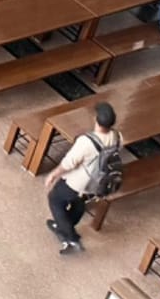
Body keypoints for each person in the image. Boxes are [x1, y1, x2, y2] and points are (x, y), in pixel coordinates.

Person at [44, 101, 120, 254]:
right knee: (79, 204)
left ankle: (71, 239)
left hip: (78, 182)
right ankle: (63, 226)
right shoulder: (117, 136)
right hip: (98, 182)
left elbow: (69, 163)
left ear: (96, 120)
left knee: (55, 200)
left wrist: (54, 173)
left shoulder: (86, 141)